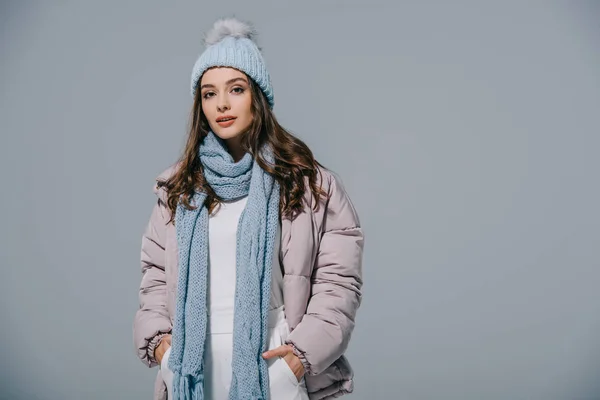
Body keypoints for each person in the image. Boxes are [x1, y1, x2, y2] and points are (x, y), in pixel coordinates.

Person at [133, 17, 364, 400]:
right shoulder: (179, 189)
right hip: (192, 369)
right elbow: (154, 275)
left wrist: (297, 361)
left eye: (235, 89)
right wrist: (164, 350)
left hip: (272, 364)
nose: (221, 103)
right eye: (209, 94)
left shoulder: (309, 184)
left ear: (257, 96)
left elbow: (338, 282)